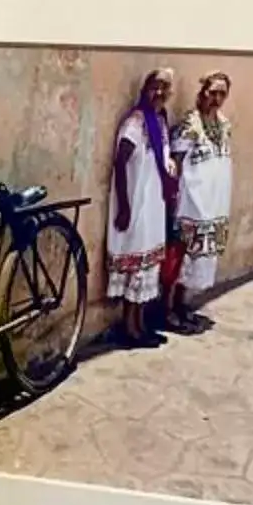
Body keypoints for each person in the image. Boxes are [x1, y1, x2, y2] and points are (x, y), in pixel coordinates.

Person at [106, 68, 177, 347]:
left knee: (146, 265)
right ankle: (130, 328)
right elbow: (120, 162)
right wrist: (124, 206)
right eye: (154, 86)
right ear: (144, 88)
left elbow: (164, 154)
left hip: (152, 204)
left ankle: (140, 324)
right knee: (134, 264)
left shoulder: (159, 121)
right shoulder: (135, 122)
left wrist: (170, 164)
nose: (159, 92)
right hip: (136, 203)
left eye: (164, 87)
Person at [169, 72, 234, 332]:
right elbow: (176, 161)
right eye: (212, 92)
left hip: (213, 202)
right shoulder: (190, 123)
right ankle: (168, 311)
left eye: (222, 93)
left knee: (198, 259)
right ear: (202, 92)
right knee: (180, 257)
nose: (217, 98)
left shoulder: (224, 124)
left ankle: (183, 306)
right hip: (190, 201)